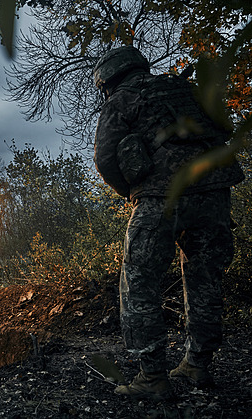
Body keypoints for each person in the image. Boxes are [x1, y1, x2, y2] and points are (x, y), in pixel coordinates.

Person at [92, 45, 244, 400]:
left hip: (162, 197)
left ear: (108, 79)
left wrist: (133, 190)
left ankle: (153, 378)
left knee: (139, 280)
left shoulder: (122, 99)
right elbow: (225, 126)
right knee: (206, 278)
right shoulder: (186, 90)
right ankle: (198, 364)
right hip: (215, 190)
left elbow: (104, 157)